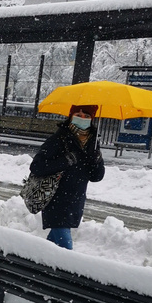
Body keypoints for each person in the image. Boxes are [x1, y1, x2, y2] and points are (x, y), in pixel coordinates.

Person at [28, 103, 105, 250]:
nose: (82, 118)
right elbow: (37, 167)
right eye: (78, 115)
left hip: (75, 201)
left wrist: (97, 160)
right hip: (55, 199)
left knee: (53, 246)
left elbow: (97, 177)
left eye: (86, 116)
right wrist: (66, 160)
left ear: (92, 119)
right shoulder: (59, 139)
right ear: (71, 116)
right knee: (65, 248)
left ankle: (40, 266)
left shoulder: (92, 143)